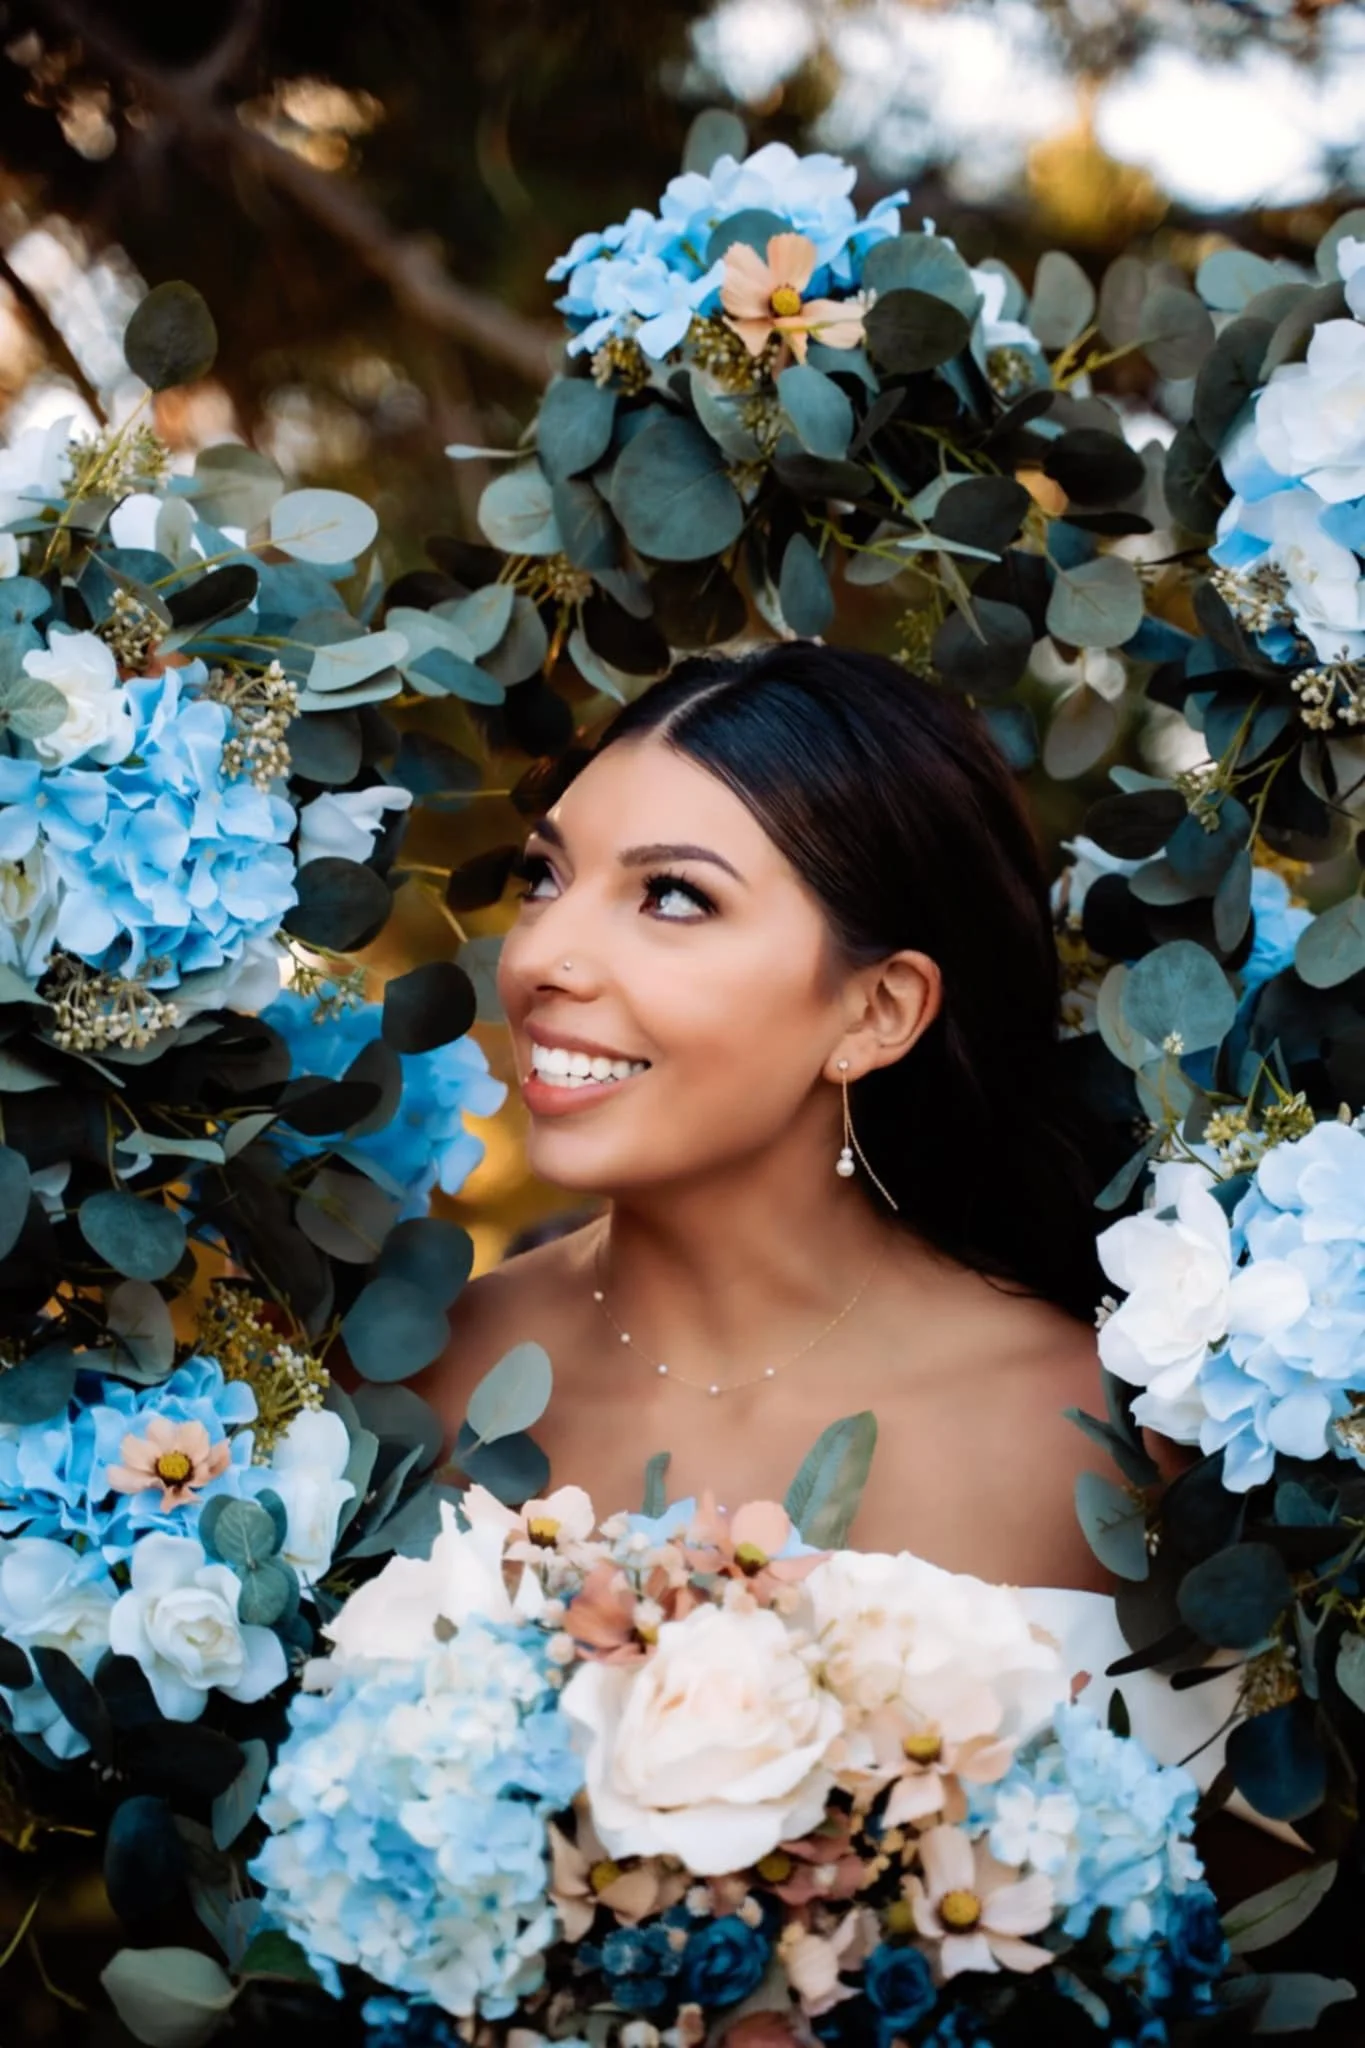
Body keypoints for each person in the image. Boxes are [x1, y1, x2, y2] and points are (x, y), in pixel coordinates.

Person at [422, 641, 1117, 1589]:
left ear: (879, 1011)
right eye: (544, 878)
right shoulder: (420, 1380)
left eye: (672, 896)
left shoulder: (1085, 1436)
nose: (542, 958)